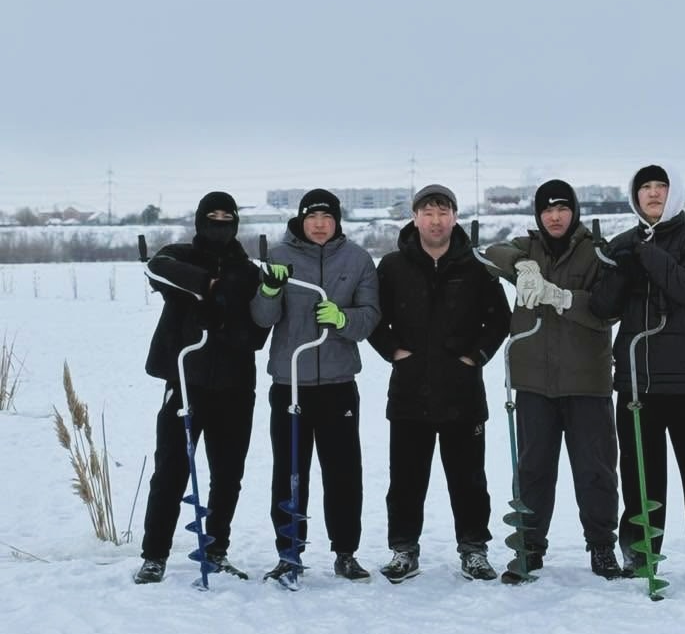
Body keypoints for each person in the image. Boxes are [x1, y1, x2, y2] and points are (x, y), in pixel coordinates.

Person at [368, 183, 510, 583]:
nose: (435, 220)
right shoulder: (394, 266)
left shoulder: (477, 266)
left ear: (454, 217)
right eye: (427, 213)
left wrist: (475, 357)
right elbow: (375, 317)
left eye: (443, 212)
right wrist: (394, 351)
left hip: (462, 393)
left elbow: (499, 319)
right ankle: (403, 550)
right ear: (415, 218)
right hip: (410, 392)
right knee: (406, 479)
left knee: (469, 480)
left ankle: (474, 550)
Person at [482, 180, 622, 580]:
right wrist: (521, 267)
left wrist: (560, 297)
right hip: (533, 381)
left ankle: (601, 547)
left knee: (595, 469)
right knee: (533, 469)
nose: (555, 216)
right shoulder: (529, 248)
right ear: (538, 216)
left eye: (562, 208)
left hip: (587, 381)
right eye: (547, 210)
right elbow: (487, 252)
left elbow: (607, 310)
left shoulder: (596, 249)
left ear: (574, 211)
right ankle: (528, 547)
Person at [590, 164, 685, 589]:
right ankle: (641, 555)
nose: (651, 193)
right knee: (641, 475)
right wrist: (619, 270)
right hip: (636, 380)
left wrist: (646, 253)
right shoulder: (624, 243)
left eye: (659, 186)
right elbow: (603, 309)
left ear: (674, 192)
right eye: (644, 187)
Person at [134, 192, 267, 584]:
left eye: (227, 218)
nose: (220, 224)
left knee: (228, 474)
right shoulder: (179, 255)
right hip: (186, 382)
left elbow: (260, 331)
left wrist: (234, 320)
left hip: (236, 385)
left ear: (237, 223)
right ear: (199, 220)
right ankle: (154, 554)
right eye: (213, 217)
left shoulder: (248, 270)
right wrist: (204, 286)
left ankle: (216, 548)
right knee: (171, 471)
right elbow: (156, 269)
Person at [250, 188, 380, 583]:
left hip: (339, 384)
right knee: (289, 471)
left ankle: (345, 552)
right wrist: (270, 289)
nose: (320, 224)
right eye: (312, 217)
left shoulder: (357, 259)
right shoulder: (278, 257)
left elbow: (370, 316)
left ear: (337, 220)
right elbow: (261, 317)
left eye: (327, 217)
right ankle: (289, 553)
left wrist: (343, 319)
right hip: (290, 383)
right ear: (301, 221)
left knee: (343, 473)